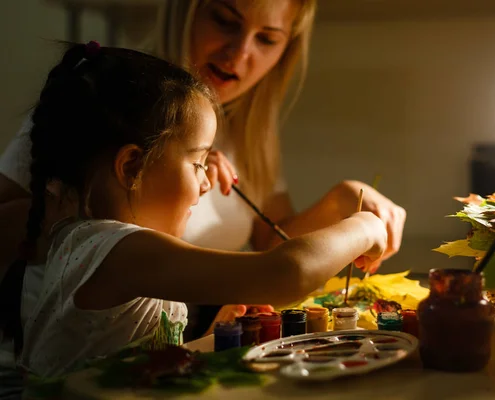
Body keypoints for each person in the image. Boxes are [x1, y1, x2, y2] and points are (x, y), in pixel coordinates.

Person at [0, 0, 406, 340]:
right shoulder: (101, 109)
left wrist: (339, 201)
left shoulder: (247, 130)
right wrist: (363, 228)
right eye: (225, 22)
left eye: (267, 38)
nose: (240, 52)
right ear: (130, 165)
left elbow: (273, 249)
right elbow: (285, 269)